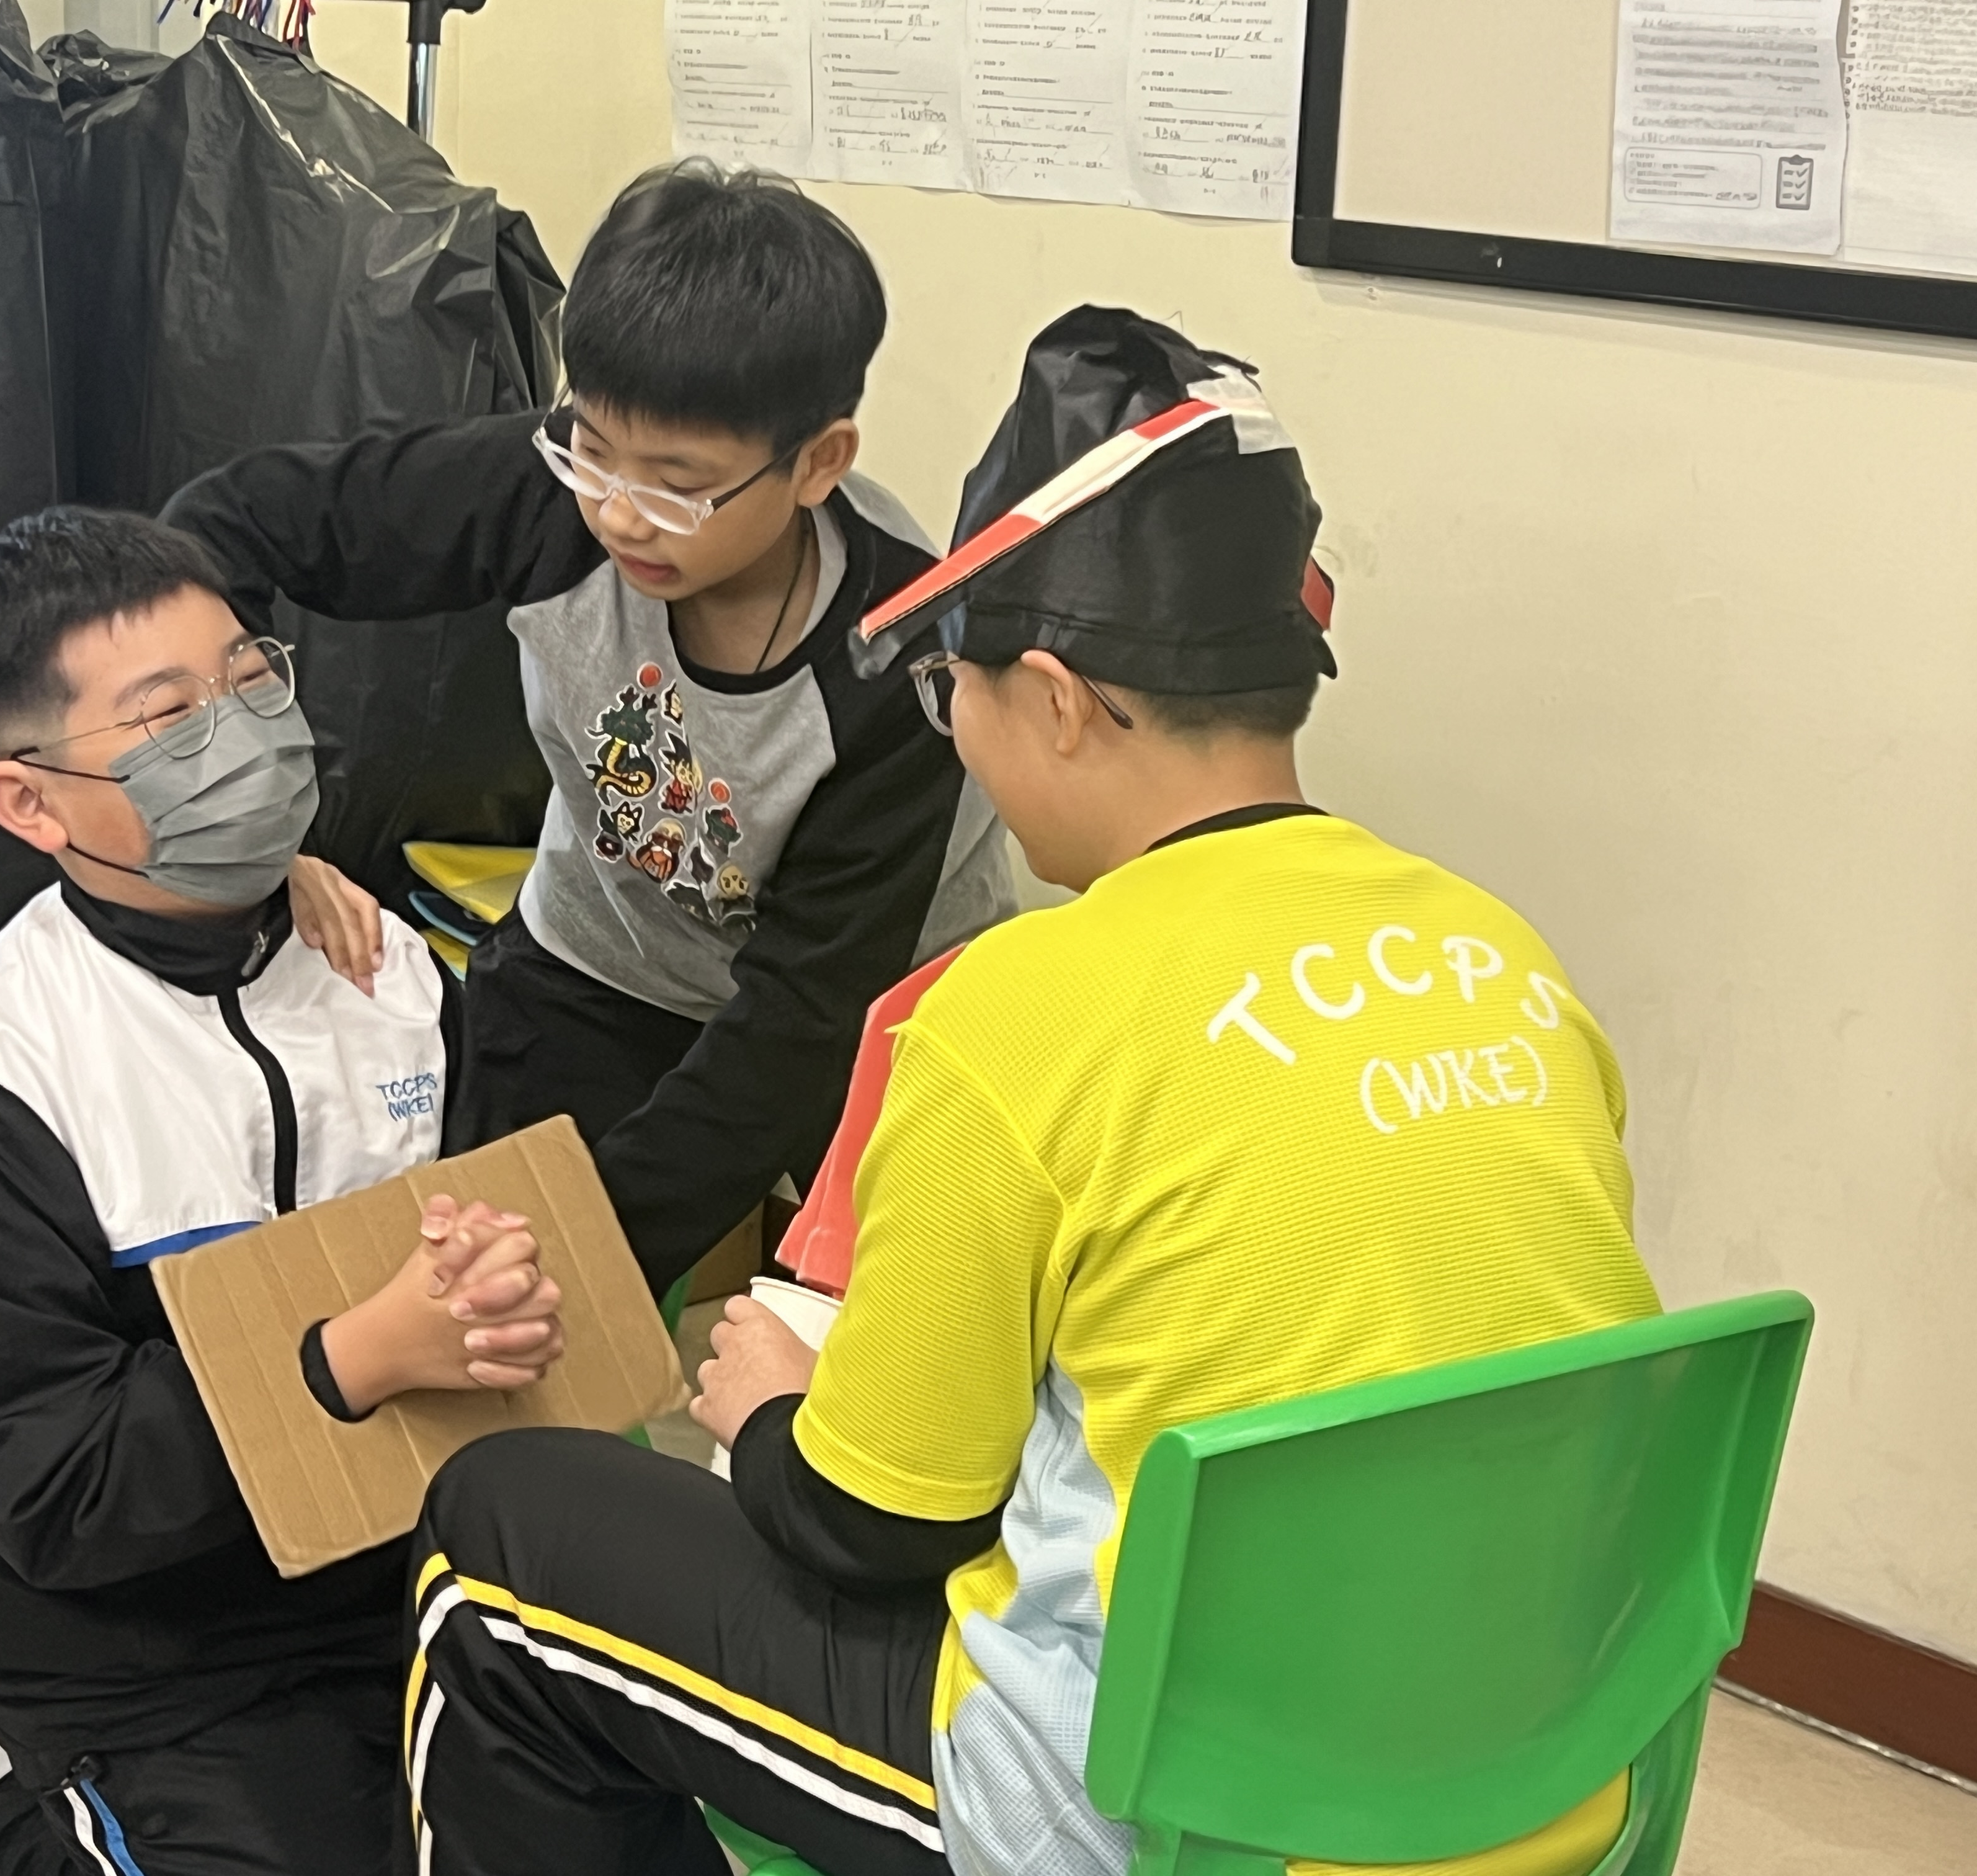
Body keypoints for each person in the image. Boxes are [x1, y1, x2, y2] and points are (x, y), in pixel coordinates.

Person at [399, 308, 1664, 1876]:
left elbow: (875, 1523)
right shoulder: (1500, 954)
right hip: (1544, 1754)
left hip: (1155, 1807)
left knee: (504, 1528)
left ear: (1056, 698)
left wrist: (773, 1413)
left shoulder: (1015, 1006)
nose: (959, 738)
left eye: (954, 694)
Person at [0, 508, 566, 1876]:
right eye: (171, 719)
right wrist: (344, 1364)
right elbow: (55, 1486)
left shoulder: (392, 980)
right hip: (148, 1660)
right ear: (28, 802)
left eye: (250, 679)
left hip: (418, 1576)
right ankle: (2, 1817)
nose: (242, 738)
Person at [163, 160, 1014, 1298]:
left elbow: (794, 1031)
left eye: (676, 486)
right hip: (602, 955)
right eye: (593, 450)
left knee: (868, 1321)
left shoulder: (899, 666)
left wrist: (581, 1252)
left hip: (871, 1010)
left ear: (818, 463)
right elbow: (228, 525)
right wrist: (261, 821)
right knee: (465, 1253)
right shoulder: (548, 497)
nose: (617, 513)